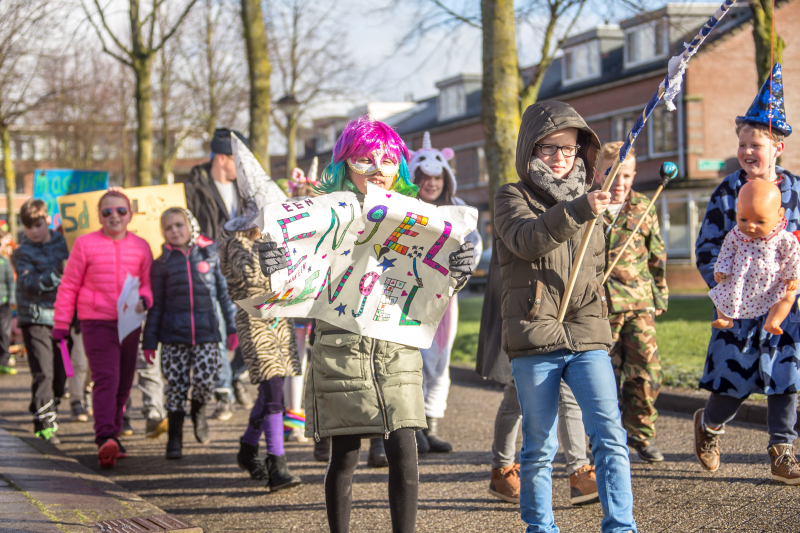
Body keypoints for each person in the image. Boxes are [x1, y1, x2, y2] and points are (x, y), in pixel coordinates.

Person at [257, 116, 476, 532]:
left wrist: (456, 267)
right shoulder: (323, 216)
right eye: (366, 159)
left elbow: (433, 279)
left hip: (395, 346)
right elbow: (295, 270)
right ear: (346, 164)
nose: (379, 167)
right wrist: (275, 262)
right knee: (345, 453)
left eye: (389, 159)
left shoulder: (417, 217)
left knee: (405, 448)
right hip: (341, 346)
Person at [494, 101, 636, 532]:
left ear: (582, 152)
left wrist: (595, 303)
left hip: (586, 333)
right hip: (535, 334)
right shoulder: (511, 196)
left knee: (610, 437)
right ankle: (541, 528)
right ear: (530, 150)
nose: (560, 158)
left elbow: (592, 271)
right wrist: (577, 211)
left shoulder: (588, 199)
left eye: (570, 149)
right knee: (539, 446)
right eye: (549, 149)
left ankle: (621, 526)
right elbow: (527, 240)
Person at [694, 64, 800, 484]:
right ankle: (710, 425)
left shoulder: (796, 192)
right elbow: (707, 246)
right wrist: (723, 287)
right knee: (732, 384)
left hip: (785, 308)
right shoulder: (726, 191)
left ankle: (783, 450)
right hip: (738, 305)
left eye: (755, 144)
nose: (747, 152)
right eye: (742, 144)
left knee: (786, 379)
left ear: (777, 148)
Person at [477, 247, 600, 506]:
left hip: (561, 297)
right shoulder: (515, 205)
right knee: (516, 393)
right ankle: (501, 469)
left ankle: (579, 471)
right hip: (524, 300)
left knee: (567, 389)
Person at [52, 190, 153, 468]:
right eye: (107, 212)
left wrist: (146, 299)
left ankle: (114, 434)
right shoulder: (84, 245)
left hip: (130, 322)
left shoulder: (142, 246)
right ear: (99, 215)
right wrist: (61, 323)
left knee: (124, 381)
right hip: (96, 321)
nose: (114, 217)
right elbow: (69, 285)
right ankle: (105, 436)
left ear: (129, 214)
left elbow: (147, 284)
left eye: (120, 211)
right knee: (106, 377)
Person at [219, 158, 302, 491]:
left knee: (274, 389)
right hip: (254, 320)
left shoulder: (273, 238)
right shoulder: (236, 242)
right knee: (271, 390)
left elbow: (289, 276)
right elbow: (250, 275)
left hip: (278, 319)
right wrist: (272, 254)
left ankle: (248, 447)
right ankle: (276, 464)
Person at [142, 207, 238, 459]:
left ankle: (198, 411)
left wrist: (232, 327)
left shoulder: (209, 254)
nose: (174, 231)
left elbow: (224, 296)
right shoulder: (161, 264)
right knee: (175, 386)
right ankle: (175, 438)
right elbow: (156, 305)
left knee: (207, 380)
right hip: (173, 337)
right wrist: (149, 342)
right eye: (168, 228)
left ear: (190, 226)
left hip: (207, 334)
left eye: (178, 225)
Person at [408, 132, 483, 453]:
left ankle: (431, 422)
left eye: (438, 178)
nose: (432, 183)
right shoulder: (404, 207)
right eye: (425, 177)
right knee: (415, 361)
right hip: (408, 297)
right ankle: (413, 428)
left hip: (444, 297)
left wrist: (467, 262)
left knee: (440, 360)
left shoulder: (458, 209)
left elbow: (474, 242)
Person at [596, 142, 669, 463]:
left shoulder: (644, 205)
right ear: (598, 175)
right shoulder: (589, 207)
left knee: (645, 373)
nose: (620, 182)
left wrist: (660, 294)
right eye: (613, 174)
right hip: (599, 307)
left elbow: (657, 254)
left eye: (626, 175)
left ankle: (641, 435)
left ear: (634, 174)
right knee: (602, 376)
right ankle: (604, 436)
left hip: (638, 302)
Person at [184, 127, 252, 419]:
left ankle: (238, 375)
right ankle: (223, 392)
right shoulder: (191, 187)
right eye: (239, 159)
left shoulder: (249, 187)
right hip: (208, 271)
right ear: (223, 159)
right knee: (218, 331)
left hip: (245, 268)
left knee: (251, 327)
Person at [12, 199, 69, 442]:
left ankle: (41, 404)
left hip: (64, 319)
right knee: (43, 372)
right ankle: (44, 424)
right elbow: (28, 283)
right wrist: (57, 272)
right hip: (34, 319)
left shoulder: (65, 244)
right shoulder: (21, 252)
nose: (34, 231)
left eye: (37, 224)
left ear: (47, 220)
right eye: (28, 226)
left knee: (63, 372)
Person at [709, 181, 799, 334]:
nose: (750, 226)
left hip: (772, 283)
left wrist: (792, 276)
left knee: (788, 296)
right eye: (744, 219)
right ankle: (725, 318)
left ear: (780, 215)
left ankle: (773, 321)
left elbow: (793, 257)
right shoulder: (736, 234)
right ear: (738, 209)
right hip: (741, 281)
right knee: (721, 293)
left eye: (760, 221)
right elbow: (727, 252)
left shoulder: (783, 238)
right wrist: (722, 270)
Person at [0, 224, 16, 375]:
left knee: (4, 332)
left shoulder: (4, 262)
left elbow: (11, 281)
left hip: (3, 304)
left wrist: (11, 299)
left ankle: (4, 361)